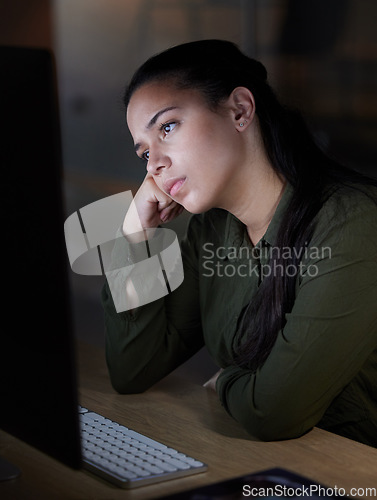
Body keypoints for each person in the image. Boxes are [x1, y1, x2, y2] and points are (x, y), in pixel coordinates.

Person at [101, 39, 377, 447]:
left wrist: (227, 379)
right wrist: (134, 240)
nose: (154, 163)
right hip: (272, 465)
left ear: (240, 110)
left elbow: (273, 412)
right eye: (144, 152)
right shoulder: (214, 230)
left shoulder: (351, 223)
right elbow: (132, 369)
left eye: (168, 127)